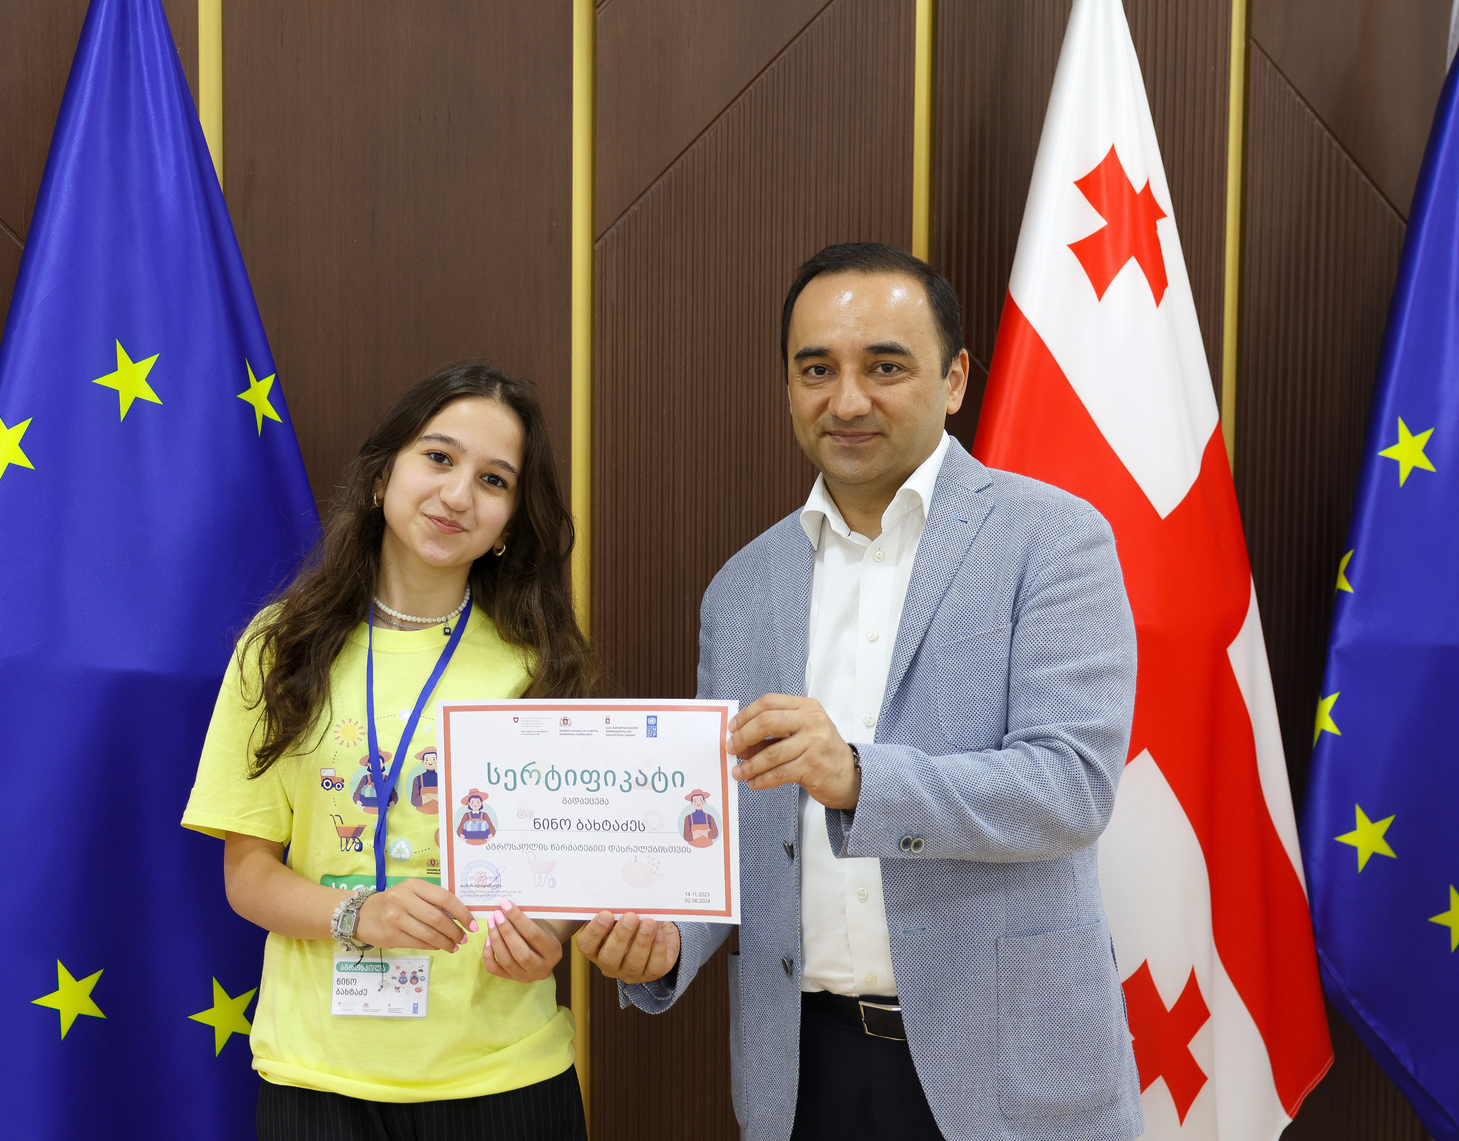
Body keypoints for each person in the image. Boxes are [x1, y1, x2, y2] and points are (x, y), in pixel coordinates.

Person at [578, 243, 1142, 1141]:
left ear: (954, 380)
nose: (846, 401)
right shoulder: (741, 589)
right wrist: (668, 942)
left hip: (1007, 1071)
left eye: (885, 366)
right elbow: (729, 829)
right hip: (804, 1071)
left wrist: (858, 777)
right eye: (817, 370)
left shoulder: (1055, 540)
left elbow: (1071, 786)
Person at [183, 362, 600, 1141]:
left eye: (494, 480)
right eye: (438, 457)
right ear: (382, 478)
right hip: (318, 1076)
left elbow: (575, 864)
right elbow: (247, 874)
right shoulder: (280, 648)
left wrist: (550, 932)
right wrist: (360, 912)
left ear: (510, 524)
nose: (458, 494)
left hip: (504, 1074)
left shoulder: (540, 663)